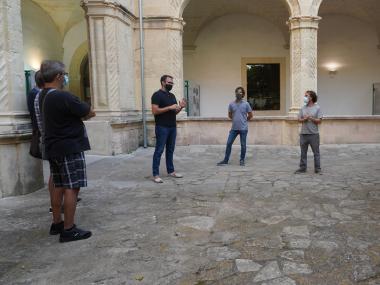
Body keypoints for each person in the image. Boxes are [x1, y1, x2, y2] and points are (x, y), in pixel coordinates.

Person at [39, 60, 95, 242]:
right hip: (69, 147)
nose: (65, 77)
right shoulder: (62, 96)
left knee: (58, 184)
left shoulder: (41, 95)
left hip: (53, 146)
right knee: (72, 186)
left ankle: (57, 223)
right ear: (58, 76)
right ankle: (69, 229)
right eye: (64, 74)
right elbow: (87, 111)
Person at [151, 75, 186, 183]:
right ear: (162, 82)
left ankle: (171, 171)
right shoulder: (156, 95)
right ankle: (155, 175)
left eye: (172, 83)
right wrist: (169, 107)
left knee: (170, 150)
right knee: (159, 150)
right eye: (169, 83)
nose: (171, 85)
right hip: (162, 127)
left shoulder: (172, 96)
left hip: (172, 127)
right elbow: (155, 111)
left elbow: (174, 112)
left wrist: (180, 107)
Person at [217, 87, 253, 166]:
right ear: (235, 93)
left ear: (243, 94)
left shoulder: (246, 104)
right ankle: (226, 160)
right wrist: (235, 120)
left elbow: (250, 115)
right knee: (229, 143)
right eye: (237, 92)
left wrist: (244, 120)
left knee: (243, 145)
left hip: (243, 129)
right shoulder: (231, 104)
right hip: (234, 129)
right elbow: (230, 115)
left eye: (240, 92)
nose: (238, 94)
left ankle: (242, 160)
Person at [295, 90, 323, 174]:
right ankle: (302, 168)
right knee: (303, 152)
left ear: (311, 97)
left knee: (316, 152)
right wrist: (304, 119)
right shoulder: (303, 108)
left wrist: (310, 118)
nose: (305, 97)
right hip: (303, 134)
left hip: (314, 134)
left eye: (306, 96)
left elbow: (319, 121)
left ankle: (317, 169)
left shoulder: (317, 108)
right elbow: (299, 119)